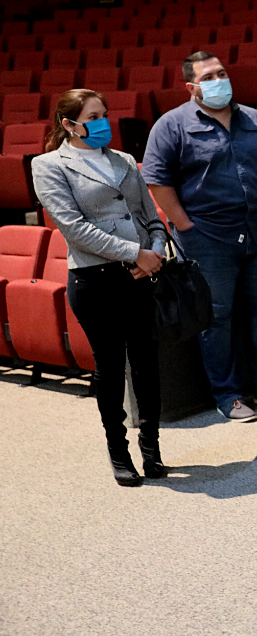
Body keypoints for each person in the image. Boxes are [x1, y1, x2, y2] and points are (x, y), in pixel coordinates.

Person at [142, 51, 257, 422]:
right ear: (192, 86)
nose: (219, 80)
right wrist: (184, 225)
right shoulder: (171, 125)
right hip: (206, 238)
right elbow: (157, 180)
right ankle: (227, 394)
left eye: (222, 72)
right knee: (216, 316)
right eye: (209, 76)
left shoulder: (256, 119)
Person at [31, 89, 168, 487]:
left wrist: (155, 251)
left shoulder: (124, 160)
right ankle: (118, 451)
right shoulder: (48, 165)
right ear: (68, 124)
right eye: (92, 116)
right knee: (110, 369)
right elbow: (74, 229)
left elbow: (150, 216)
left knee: (146, 364)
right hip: (96, 281)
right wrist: (134, 253)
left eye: (104, 114)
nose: (102, 121)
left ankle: (151, 447)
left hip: (141, 275)